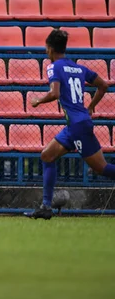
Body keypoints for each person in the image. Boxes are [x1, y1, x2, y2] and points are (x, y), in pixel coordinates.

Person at [25, 29, 115, 220]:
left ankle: (46, 206)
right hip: (77, 124)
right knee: (47, 155)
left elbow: (55, 93)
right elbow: (104, 85)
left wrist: (38, 101)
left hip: (77, 127)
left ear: (50, 49)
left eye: (46, 48)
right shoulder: (78, 67)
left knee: (101, 168)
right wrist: (90, 106)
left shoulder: (54, 67)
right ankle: (46, 207)